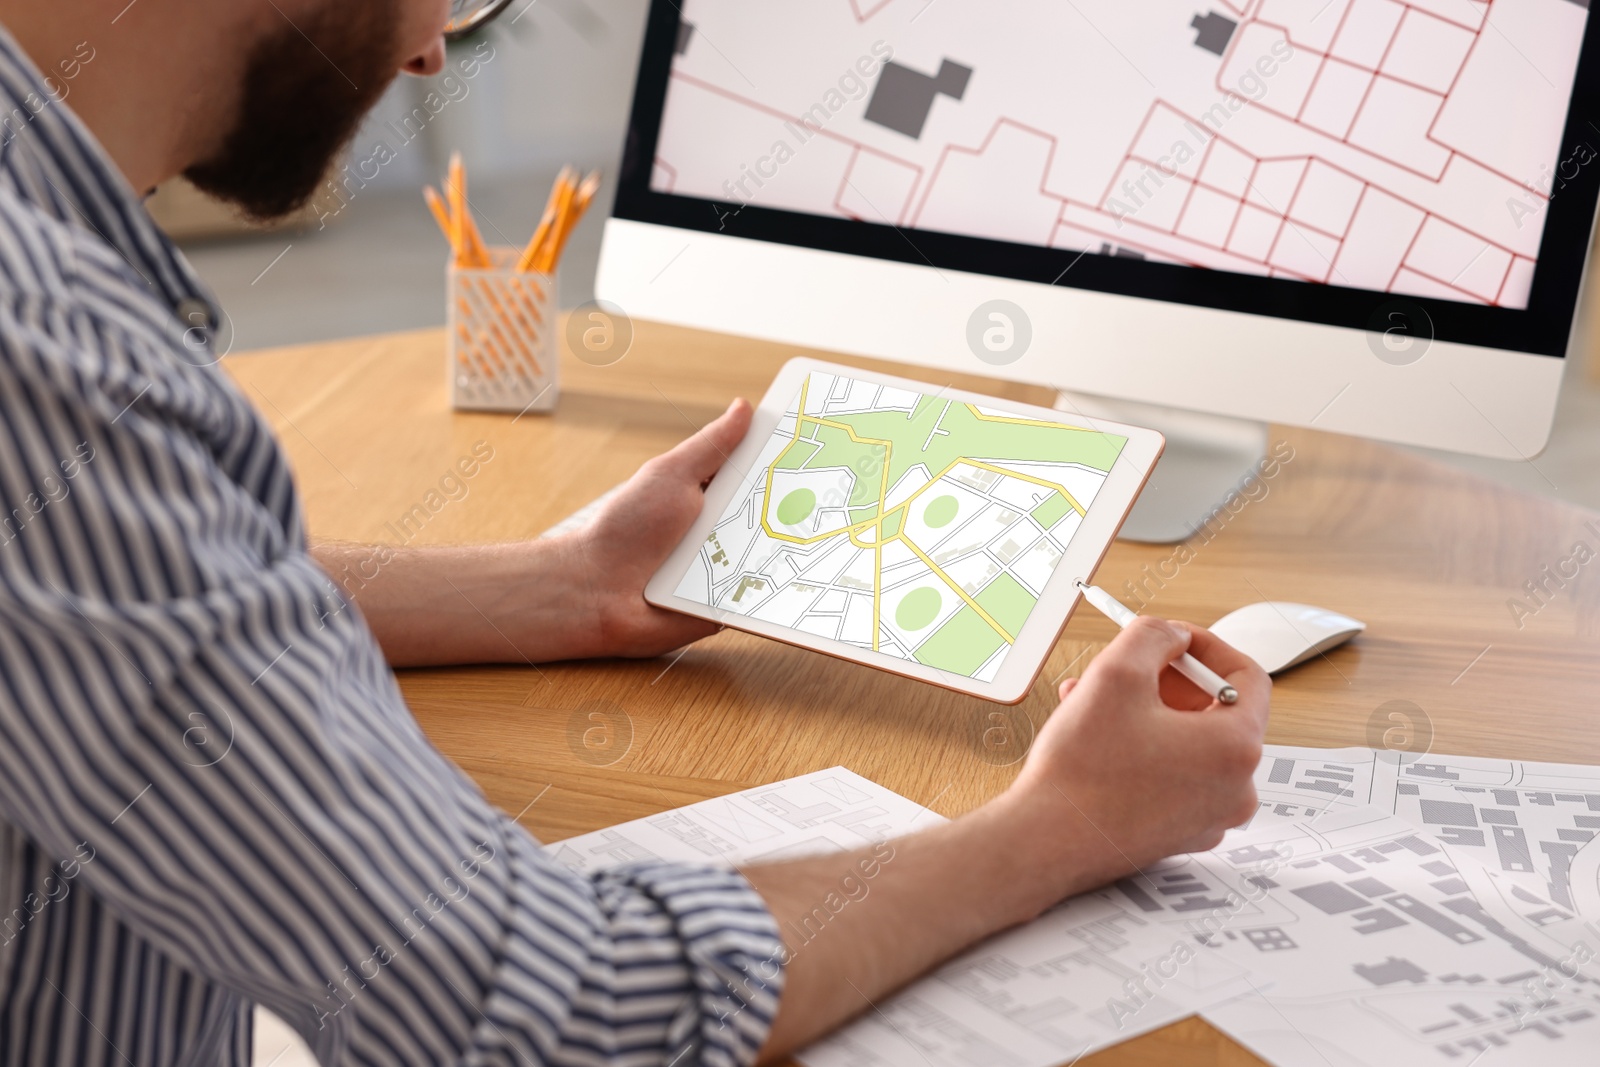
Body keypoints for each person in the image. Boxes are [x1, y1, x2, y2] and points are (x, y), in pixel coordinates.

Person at [0, 3, 1270, 1065]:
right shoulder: (55, 361)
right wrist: (1062, 823)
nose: (435, 49)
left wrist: (549, 584)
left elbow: (101, 582)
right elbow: (539, 1010)